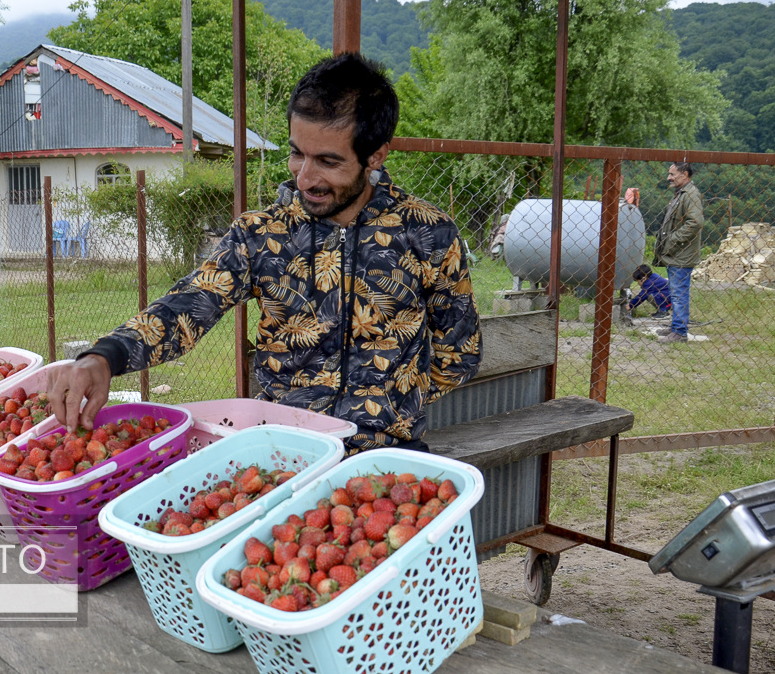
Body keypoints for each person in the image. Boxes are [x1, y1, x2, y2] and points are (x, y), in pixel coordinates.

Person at [46, 53, 482, 454]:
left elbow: (458, 354)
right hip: (279, 453)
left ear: (375, 155)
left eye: (328, 161)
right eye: (297, 153)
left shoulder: (427, 233)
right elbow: (189, 305)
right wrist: (104, 357)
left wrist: (388, 400)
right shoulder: (260, 234)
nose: (305, 176)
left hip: (388, 460)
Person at [653, 162, 703, 343]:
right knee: (676, 291)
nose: (669, 178)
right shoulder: (682, 194)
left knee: (679, 292)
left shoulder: (690, 195)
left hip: (682, 254)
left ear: (685, 174)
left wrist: (673, 240)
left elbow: (695, 222)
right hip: (677, 253)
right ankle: (676, 326)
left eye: (672, 174)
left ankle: (680, 332)